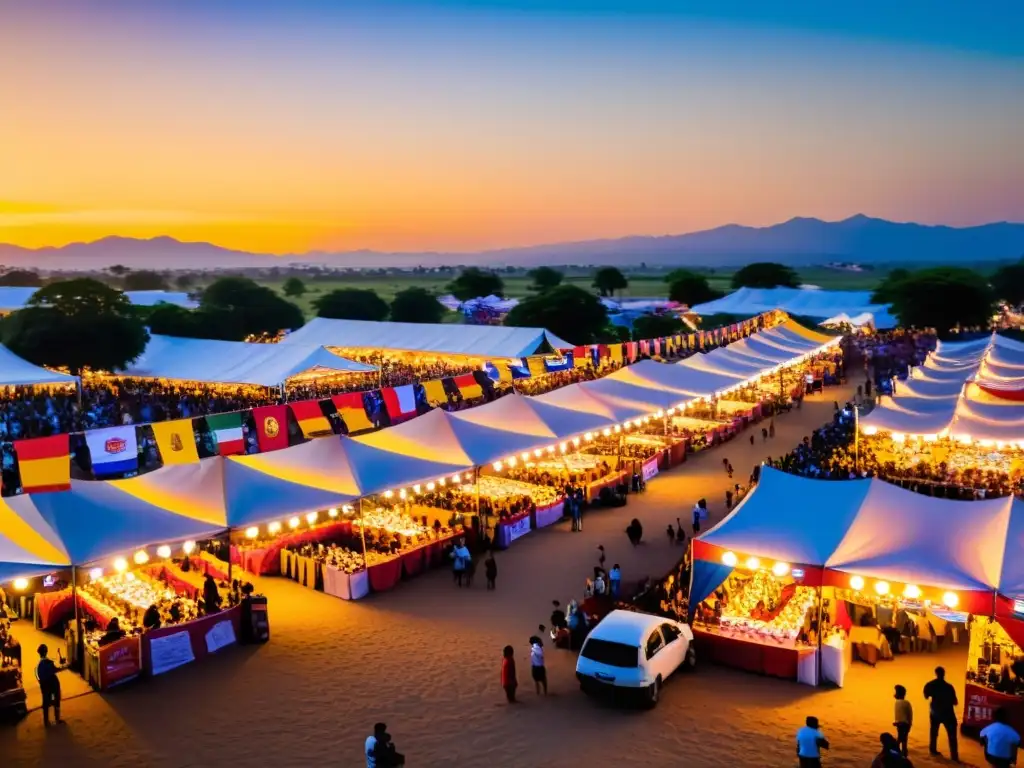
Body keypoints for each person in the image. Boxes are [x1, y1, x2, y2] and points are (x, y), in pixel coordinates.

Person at [923, 666, 959, 762]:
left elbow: (926, 695)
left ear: (936, 673)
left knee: (934, 732)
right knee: (952, 736)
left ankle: (933, 749)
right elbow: (955, 702)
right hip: (948, 713)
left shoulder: (930, 685)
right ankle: (954, 756)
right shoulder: (949, 687)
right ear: (944, 674)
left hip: (935, 712)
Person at [35, 643, 64, 726]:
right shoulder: (48, 662)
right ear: (46, 652)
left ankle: (46, 722)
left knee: (46, 702)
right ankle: (57, 719)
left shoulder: (39, 665)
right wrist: (63, 667)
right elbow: (55, 670)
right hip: (52, 684)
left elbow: (38, 676)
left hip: (44, 685)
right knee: (56, 699)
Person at [893, 684, 913, 757]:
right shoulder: (906, 703)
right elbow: (910, 714)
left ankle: (898, 750)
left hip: (901, 724)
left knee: (901, 738)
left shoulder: (897, 703)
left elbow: (898, 714)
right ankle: (903, 752)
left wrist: (896, 722)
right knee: (903, 739)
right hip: (905, 724)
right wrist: (910, 724)